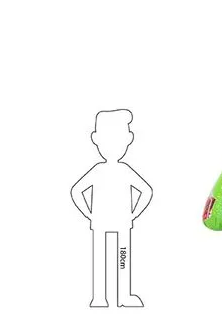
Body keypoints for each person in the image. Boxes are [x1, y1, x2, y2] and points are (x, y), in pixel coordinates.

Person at [71, 109, 153, 307]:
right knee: (103, 258)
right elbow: (77, 191)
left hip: (119, 221)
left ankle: (122, 295)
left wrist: (133, 214)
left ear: (128, 139)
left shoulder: (123, 170)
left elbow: (146, 191)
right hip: (105, 221)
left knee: (121, 256)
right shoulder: (99, 170)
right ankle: (100, 296)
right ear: (96, 139)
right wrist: (89, 214)